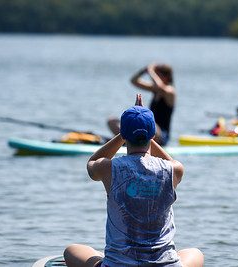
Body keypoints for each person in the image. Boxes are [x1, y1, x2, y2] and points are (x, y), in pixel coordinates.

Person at [64, 94, 204, 267]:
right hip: (165, 265)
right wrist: (144, 128)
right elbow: (170, 161)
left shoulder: (109, 168)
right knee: (194, 253)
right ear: (152, 135)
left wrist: (123, 133)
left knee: (71, 251)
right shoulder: (174, 170)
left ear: (124, 134)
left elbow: (91, 164)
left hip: (119, 264)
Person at [108, 63, 175, 146]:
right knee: (112, 121)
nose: (154, 77)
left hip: (161, 135)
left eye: (158, 74)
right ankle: (129, 139)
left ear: (167, 77)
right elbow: (133, 81)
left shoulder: (170, 91)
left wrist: (151, 71)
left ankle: (130, 140)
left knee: (152, 124)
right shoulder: (155, 89)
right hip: (147, 129)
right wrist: (144, 70)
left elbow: (160, 86)